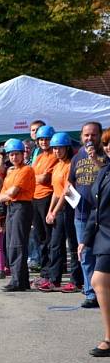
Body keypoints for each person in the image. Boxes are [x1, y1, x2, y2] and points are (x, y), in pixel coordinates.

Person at [70, 122, 106, 309]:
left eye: (93, 135)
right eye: (86, 135)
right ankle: (90, 293)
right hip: (82, 214)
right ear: (81, 136)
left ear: (100, 135)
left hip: (103, 215)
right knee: (84, 254)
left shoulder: (105, 154)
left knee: (103, 254)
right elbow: (70, 184)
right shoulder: (77, 157)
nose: (89, 139)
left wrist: (95, 161)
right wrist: (68, 203)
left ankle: (103, 292)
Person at [79, 146, 110, 356]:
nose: (108, 147)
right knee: (100, 282)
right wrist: (85, 239)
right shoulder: (105, 171)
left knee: (98, 281)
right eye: (107, 144)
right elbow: (96, 208)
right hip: (103, 236)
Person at [40, 132, 80, 293]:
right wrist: (50, 211)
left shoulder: (71, 164)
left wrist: (55, 212)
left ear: (67, 148)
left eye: (60, 148)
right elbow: (56, 192)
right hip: (58, 209)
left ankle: (76, 280)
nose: (56, 151)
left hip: (69, 208)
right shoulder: (56, 166)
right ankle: (54, 279)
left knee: (72, 244)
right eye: (55, 148)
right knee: (55, 245)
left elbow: (67, 190)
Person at [0, 139, 36, 292]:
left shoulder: (26, 170)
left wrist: (8, 194)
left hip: (22, 206)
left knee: (17, 244)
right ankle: (21, 280)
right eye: (11, 155)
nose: (14, 157)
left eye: (17, 154)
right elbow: (1, 195)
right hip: (12, 207)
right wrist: (8, 194)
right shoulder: (11, 172)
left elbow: (12, 192)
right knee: (10, 243)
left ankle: (18, 281)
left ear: (22, 154)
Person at [30, 125, 58, 285]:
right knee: (40, 237)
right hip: (35, 197)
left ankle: (49, 272)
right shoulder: (39, 157)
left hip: (47, 197)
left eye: (46, 139)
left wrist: (36, 176)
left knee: (48, 238)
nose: (43, 142)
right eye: (41, 139)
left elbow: (44, 179)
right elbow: (34, 176)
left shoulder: (54, 156)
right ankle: (45, 271)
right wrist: (36, 176)